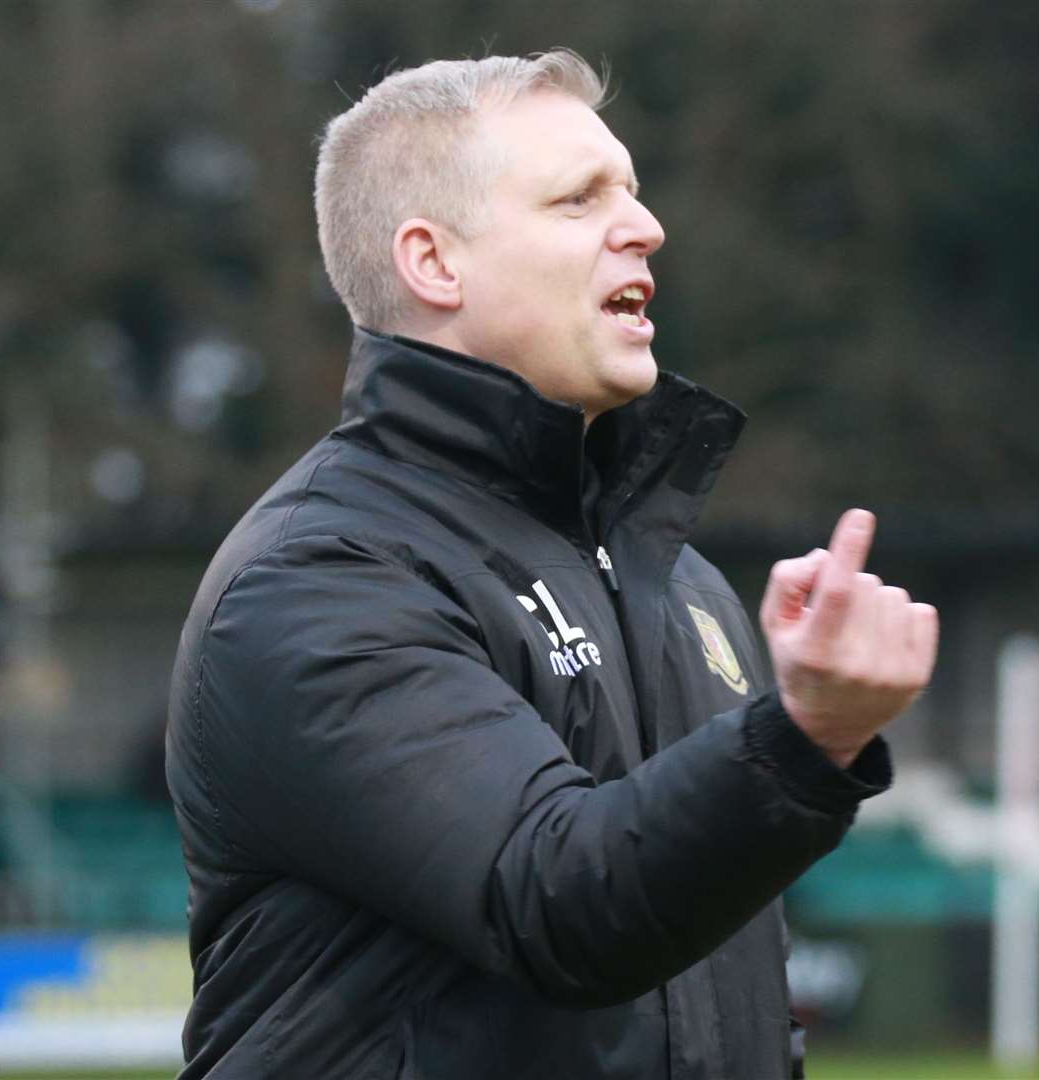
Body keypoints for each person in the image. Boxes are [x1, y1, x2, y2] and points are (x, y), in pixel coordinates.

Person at [166, 49, 937, 1079]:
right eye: (579, 200)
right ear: (435, 263)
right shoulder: (320, 574)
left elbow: (727, 1001)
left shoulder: (681, 584)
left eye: (632, 186)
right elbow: (562, 902)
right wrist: (805, 739)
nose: (646, 224)